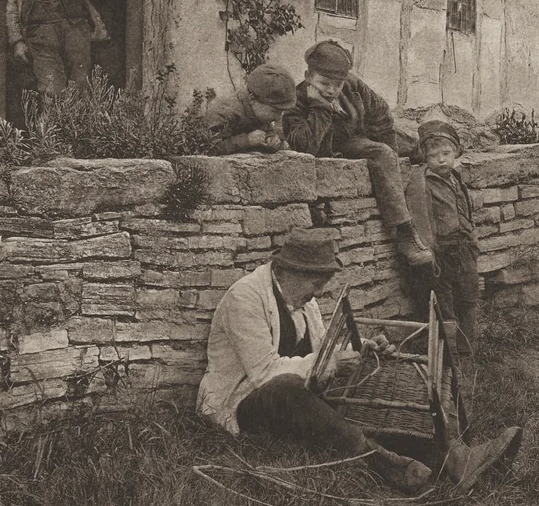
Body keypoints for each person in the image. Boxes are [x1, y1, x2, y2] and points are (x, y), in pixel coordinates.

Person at [196, 229, 523, 493]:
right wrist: (334, 361)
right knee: (285, 389)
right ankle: (387, 465)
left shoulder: (302, 300)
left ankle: (454, 460)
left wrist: (362, 347)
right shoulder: (246, 298)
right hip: (244, 403)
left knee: (364, 397)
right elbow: (261, 373)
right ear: (286, 272)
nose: (319, 291)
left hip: (300, 394)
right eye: (316, 281)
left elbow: (323, 346)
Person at [284, 40, 433, 266]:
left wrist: (392, 158)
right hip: (338, 147)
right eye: (324, 83)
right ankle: (405, 232)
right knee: (381, 153)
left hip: (362, 134)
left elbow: (381, 114)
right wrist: (320, 107)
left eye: (337, 84)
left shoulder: (353, 86)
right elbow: (305, 147)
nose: (332, 90)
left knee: (414, 148)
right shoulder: (296, 102)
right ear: (308, 76)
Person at [405, 120, 482, 355]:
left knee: (468, 297)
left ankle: (465, 349)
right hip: (441, 252)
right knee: (444, 304)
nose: (442, 160)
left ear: (455, 153)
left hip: (464, 248)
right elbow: (420, 219)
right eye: (434, 155)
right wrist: (430, 250)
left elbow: (465, 212)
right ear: (425, 158)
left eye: (447, 153)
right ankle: (448, 355)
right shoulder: (423, 183)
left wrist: (472, 240)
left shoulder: (456, 179)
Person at [204, 64, 298, 154]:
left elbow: (267, 130)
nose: (278, 118)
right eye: (274, 111)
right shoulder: (225, 111)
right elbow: (210, 147)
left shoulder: (259, 111)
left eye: (281, 112)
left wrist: (271, 140)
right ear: (252, 99)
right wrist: (246, 140)